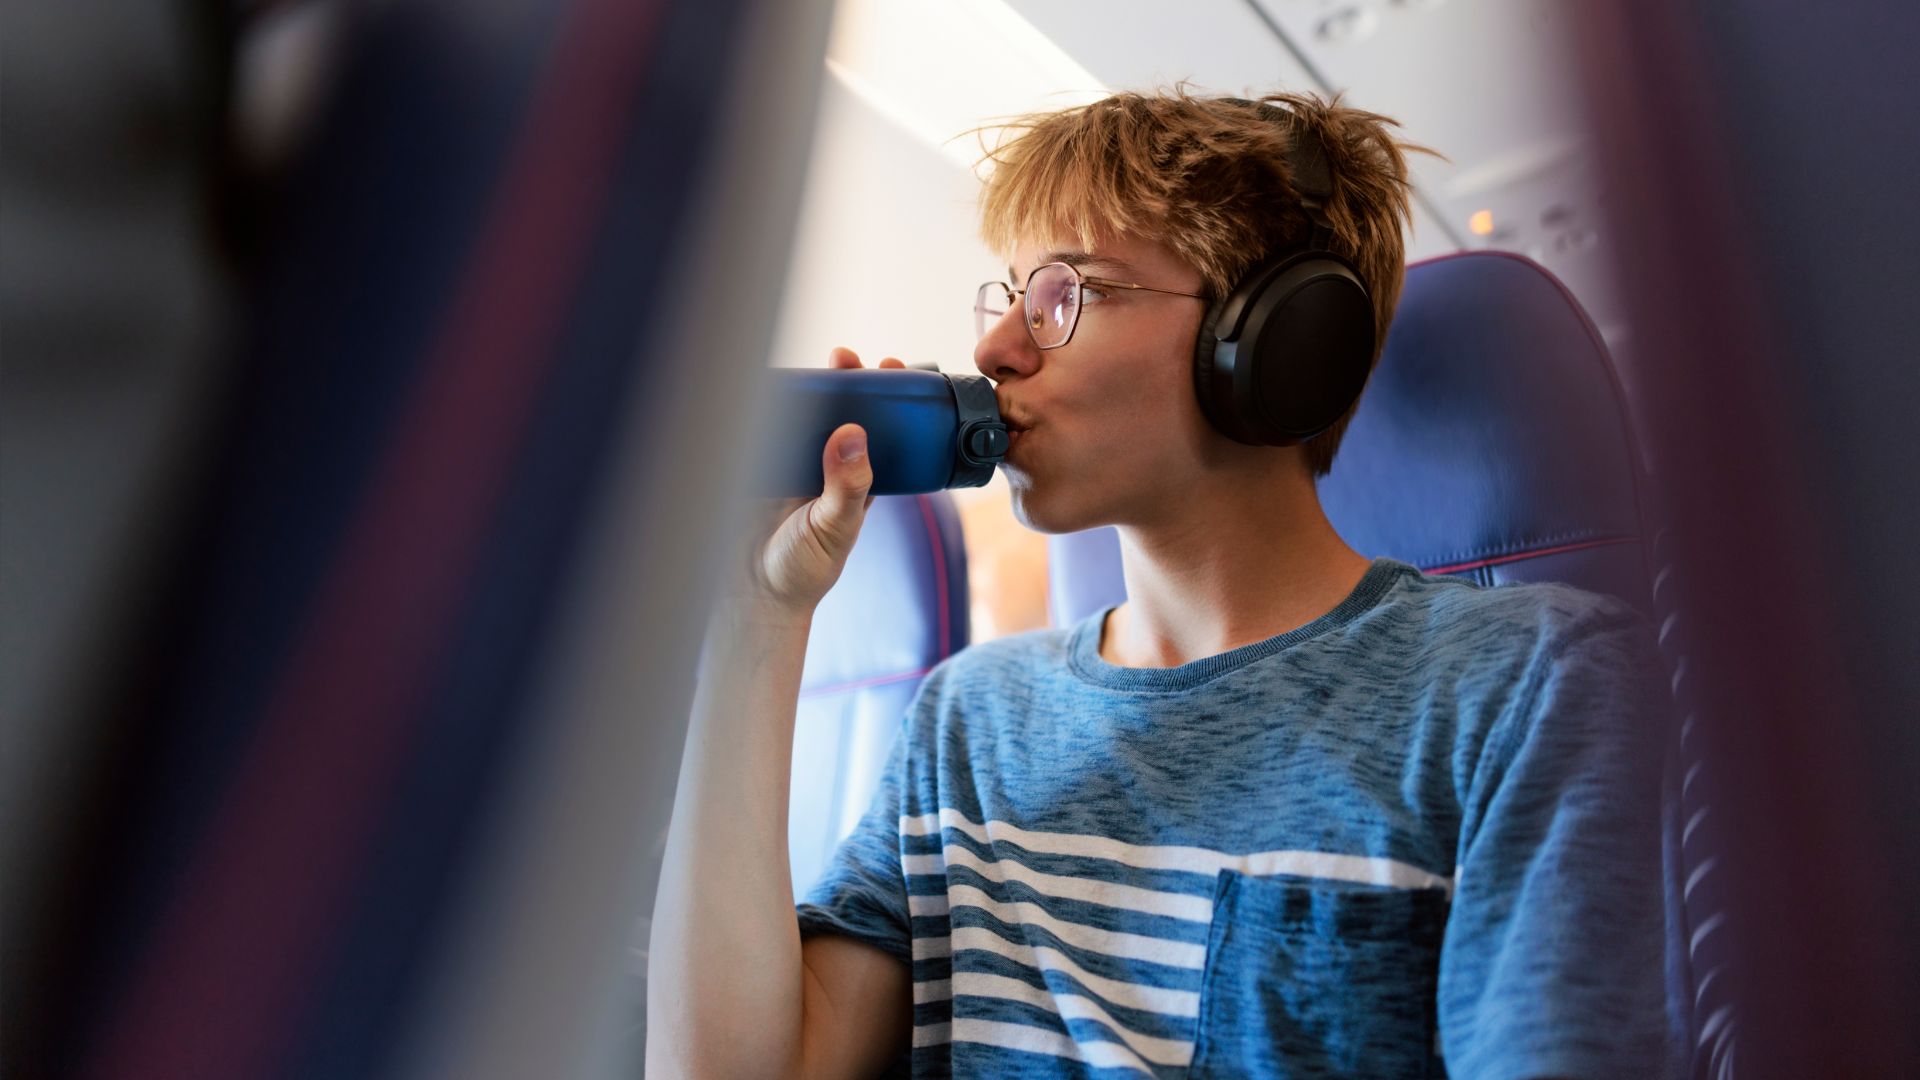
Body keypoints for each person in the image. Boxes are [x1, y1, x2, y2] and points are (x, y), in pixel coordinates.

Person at [647, 89, 1670, 1079]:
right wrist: (757, 619)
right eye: (1008, 295)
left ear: (1272, 343)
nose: (996, 348)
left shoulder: (1534, 686)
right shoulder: (965, 721)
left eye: (1062, 294)